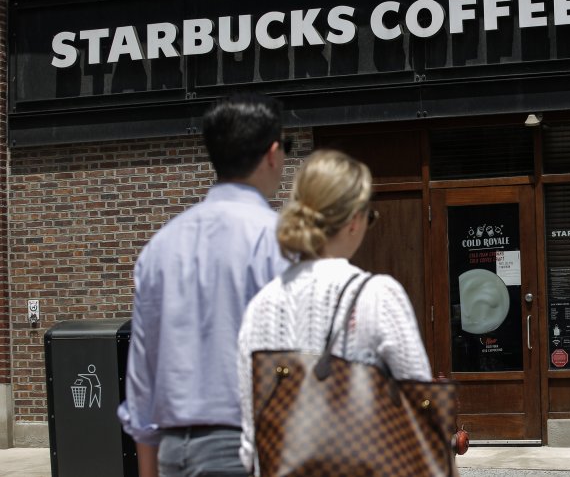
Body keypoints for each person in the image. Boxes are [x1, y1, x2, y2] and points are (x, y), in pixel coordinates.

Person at [118, 93, 290, 477]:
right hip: (247, 449)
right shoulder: (278, 241)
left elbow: (142, 373)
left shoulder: (160, 246)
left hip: (170, 450)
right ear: (273, 153)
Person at [237, 150, 432, 473]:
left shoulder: (260, 307)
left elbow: (250, 442)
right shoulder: (378, 296)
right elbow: (424, 418)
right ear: (355, 219)